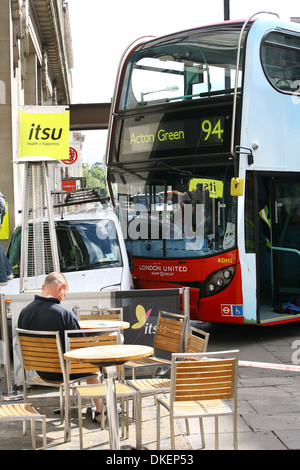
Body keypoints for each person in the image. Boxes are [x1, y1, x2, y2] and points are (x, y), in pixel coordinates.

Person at [17, 271, 103, 423]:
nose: (63, 297)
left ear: (43, 287)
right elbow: (81, 351)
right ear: (61, 287)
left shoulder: (24, 313)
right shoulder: (65, 314)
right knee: (93, 367)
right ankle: (102, 411)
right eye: (65, 293)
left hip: (41, 371)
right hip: (62, 373)